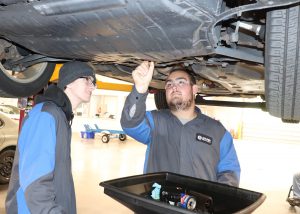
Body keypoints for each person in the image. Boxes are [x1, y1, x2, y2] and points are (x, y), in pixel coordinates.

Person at [121, 61, 240, 187]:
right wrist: (139, 89)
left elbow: (229, 171)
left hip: (200, 204)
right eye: (169, 84)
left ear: (194, 89)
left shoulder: (218, 131)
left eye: (181, 82)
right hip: (158, 204)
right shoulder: (155, 121)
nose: (174, 87)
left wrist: (219, 201)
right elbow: (130, 123)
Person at [6, 61, 96, 213]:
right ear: (70, 81)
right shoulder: (45, 116)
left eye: (93, 83)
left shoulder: (60, 116)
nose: (93, 86)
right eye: (87, 79)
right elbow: (36, 185)